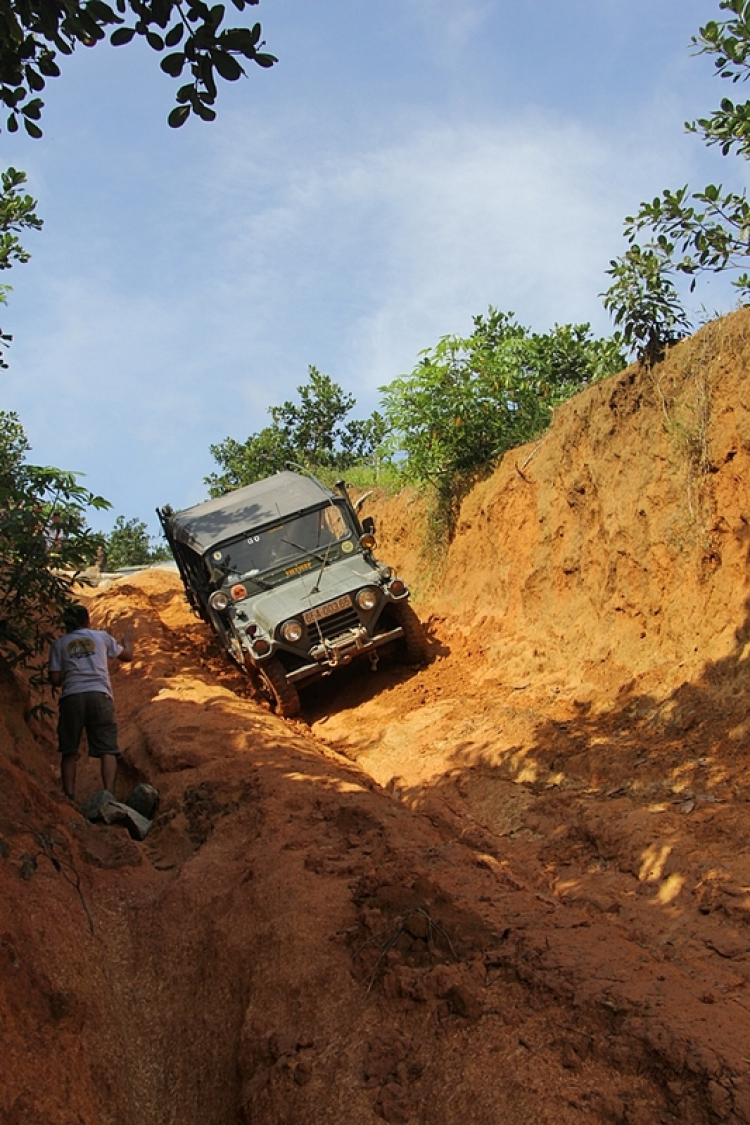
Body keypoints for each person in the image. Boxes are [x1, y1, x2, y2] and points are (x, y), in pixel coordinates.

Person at [48, 604, 134, 801]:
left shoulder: (59, 644)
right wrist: (128, 642)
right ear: (87, 620)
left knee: (69, 750)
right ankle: (109, 795)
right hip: (100, 695)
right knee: (108, 748)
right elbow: (127, 657)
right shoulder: (101, 637)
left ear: (66, 624)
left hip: (72, 697)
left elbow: (54, 679)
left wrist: (70, 673)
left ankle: (69, 797)